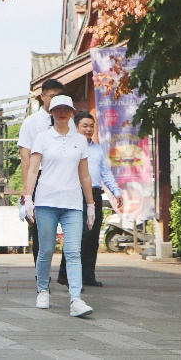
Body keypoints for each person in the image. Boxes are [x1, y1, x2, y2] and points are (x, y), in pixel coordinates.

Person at [24, 95, 96, 317]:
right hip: (46, 201)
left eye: (66, 109)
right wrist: (28, 198)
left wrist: (91, 204)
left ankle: (76, 299)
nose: (62, 112)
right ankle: (42, 290)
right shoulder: (43, 138)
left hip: (72, 203)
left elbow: (84, 174)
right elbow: (33, 169)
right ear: (51, 112)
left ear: (72, 112)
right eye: (57, 109)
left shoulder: (80, 140)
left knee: (73, 252)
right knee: (46, 250)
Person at [57, 112, 123, 287]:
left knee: (93, 236)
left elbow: (105, 172)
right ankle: (65, 273)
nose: (88, 129)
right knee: (78, 235)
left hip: (94, 194)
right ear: (76, 127)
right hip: (75, 194)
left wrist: (116, 192)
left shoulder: (97, 149)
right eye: (84, 126)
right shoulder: (68, 147)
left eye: (91, 126)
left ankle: (88, 276)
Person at [18, 79, 76, 267]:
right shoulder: (31, 122)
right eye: (52, 96)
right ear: (42, 96)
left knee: (71, 227)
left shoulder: (70, 121)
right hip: (40, 178)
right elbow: (25, 157)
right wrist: (27, 191)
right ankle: (41, 274)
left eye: (59, 96)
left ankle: (66, 273)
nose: (56, 100)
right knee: (41, 230)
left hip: (65, 178)